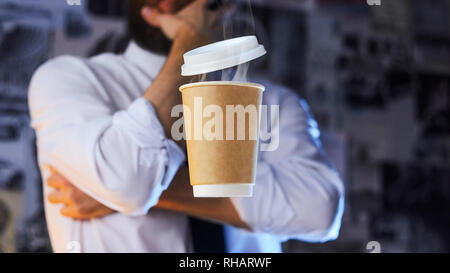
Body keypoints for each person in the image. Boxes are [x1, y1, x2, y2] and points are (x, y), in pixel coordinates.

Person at [28, 0, 344, 253]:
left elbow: (318, 210)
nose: (167, 4)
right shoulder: (66, 79)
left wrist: (129, 188)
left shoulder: (272, 101)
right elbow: (128, 182)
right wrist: (189, 48)